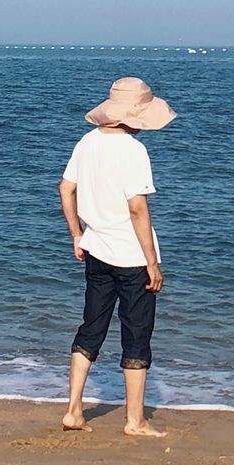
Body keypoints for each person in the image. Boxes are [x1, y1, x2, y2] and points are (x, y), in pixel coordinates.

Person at [58, 76, 175, 439]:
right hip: (132, 257)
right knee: (136, 333)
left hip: (96, 250)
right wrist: (152, 262)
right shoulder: (133, 151)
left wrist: (77, 234)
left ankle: (74, 409)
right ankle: (135, 419)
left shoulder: (87, 142)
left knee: (91, 327)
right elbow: (138, 208)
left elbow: (66, 188)